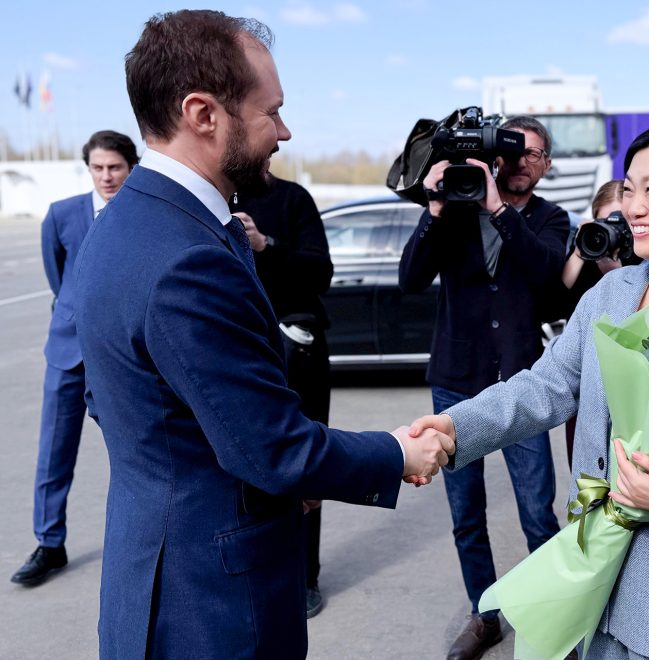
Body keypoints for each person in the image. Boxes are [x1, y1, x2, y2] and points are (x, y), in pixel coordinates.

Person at [72, 11, 450, 659]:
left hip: (158, 571)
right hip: (211, 604)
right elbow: (273, 452)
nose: (284, 130)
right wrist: (395, 453)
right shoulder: (186, 255)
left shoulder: (131, 223)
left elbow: (122, 402)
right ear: (202, 113)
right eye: (269, 111)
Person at [412, 120, 649, 659]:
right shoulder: (613, 291)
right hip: (599, 576)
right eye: (629, 188)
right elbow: (547, 385)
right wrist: (457, 429)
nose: (633, 206)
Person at [398, 115, 569, 659]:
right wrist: (436, 210)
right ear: (497, 155)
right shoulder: (456, 207)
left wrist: (498, 210)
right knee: (466, 516)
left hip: (522, 382)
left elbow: (547, 274)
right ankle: (485, 613)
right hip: (456, 380)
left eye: (537, 155)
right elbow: (410, 278)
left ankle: (551, 614)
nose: (525, 163)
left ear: (545, 166)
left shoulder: (551, 218)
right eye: (516, 151)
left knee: (538, 511)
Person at [11, 130, 139, 588]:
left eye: (115, 167)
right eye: (98, 168)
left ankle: (144, 544)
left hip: (124, 354)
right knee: (53, 451)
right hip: (67, 351)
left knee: (138, 450)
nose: (106, 176)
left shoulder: (143, 214)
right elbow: (57, 275)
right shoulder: (61, 214)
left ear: (131, 167)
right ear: (88, 168)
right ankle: (49, 543)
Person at [230, 175, 333, 618]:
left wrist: (264, 243)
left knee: (305, 462)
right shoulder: (207, 200)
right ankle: (253, 569)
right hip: (233, 350)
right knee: (238, 466)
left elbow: (321, 272)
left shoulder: (292, 198)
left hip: (298, 348)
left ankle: (305, 575)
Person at [555, 180, 627, 468]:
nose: (614, 229)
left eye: (621, 222)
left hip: (625, 381)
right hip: (585, 383)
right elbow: (555, 302)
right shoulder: (587, 253)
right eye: (605, 220)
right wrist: (581, 247)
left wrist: (617, 273)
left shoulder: (642, 257)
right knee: (583, 465)